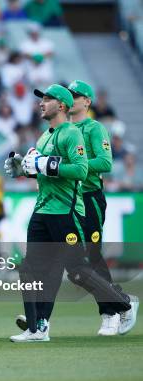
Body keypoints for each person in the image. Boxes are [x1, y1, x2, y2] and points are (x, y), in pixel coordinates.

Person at [4, 84, 137, 342]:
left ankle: (121, 303)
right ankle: (37, 325)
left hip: (72, 207)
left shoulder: (77, 132)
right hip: (45, 207)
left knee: (78, 267)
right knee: (34, 267)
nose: (41, 103)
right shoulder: (45, 136)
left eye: (47, 99)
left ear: (64, 105)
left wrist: (46, 164)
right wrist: (25, 168)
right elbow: (42, 170)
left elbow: (83, 168)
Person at [67, 80, 137, 335]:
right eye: (69, 94)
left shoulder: (95, 128)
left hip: (89, 198)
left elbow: (105, 162)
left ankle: (111, 312)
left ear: (87, 101)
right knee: (74, 265)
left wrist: (76, 163)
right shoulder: (62, 129)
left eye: (76, 95)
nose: (71, 98)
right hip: (69, 200)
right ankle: (122, 302)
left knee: (91, 258)